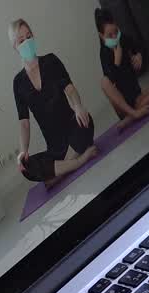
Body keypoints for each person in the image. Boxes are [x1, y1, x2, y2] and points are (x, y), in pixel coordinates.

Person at [10, 19, 98, 186]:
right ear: (15, 46)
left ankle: (59, 171)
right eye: (21, 40)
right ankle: (79, 160)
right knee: (26, 166)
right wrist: (23, 151)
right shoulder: (18, 82)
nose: (27, 42)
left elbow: (70, 89)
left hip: (73, 129)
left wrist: (78, 107)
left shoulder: (51, 61)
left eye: (29, 37)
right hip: (54, 146)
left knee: (87, 120)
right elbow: (24, 123)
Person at [94, 7, 149, 128]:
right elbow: (112, 83)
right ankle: (133, 114)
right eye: (109, 35)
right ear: (101, 36)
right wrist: (116, 62)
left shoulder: (122, 38)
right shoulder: (104, 54)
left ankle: (131, 117)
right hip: (123, 106)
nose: (114, 37)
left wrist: (139, 55)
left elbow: (140, 46)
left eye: (116, 31)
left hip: (137, 98)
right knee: (104, 82)